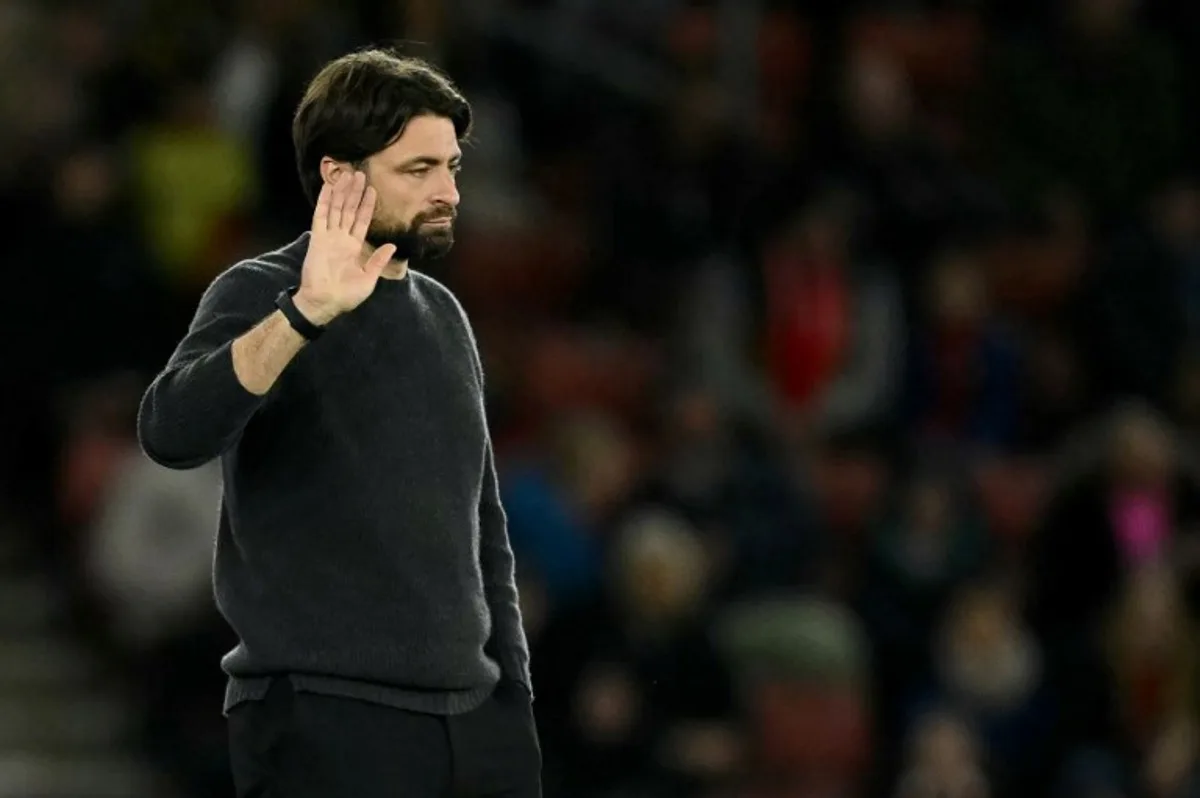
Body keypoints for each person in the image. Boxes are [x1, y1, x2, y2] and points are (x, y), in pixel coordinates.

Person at [136, 49, 540, 797]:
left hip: (469, 725)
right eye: (418, 171)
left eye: (452, 167)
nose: (449, 191)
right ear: (338, 174)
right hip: (324, 721)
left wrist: (512, 708)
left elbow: (482, 531)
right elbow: (171, 430)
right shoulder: (261, 289)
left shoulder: (444, 314)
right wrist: (306, 314)